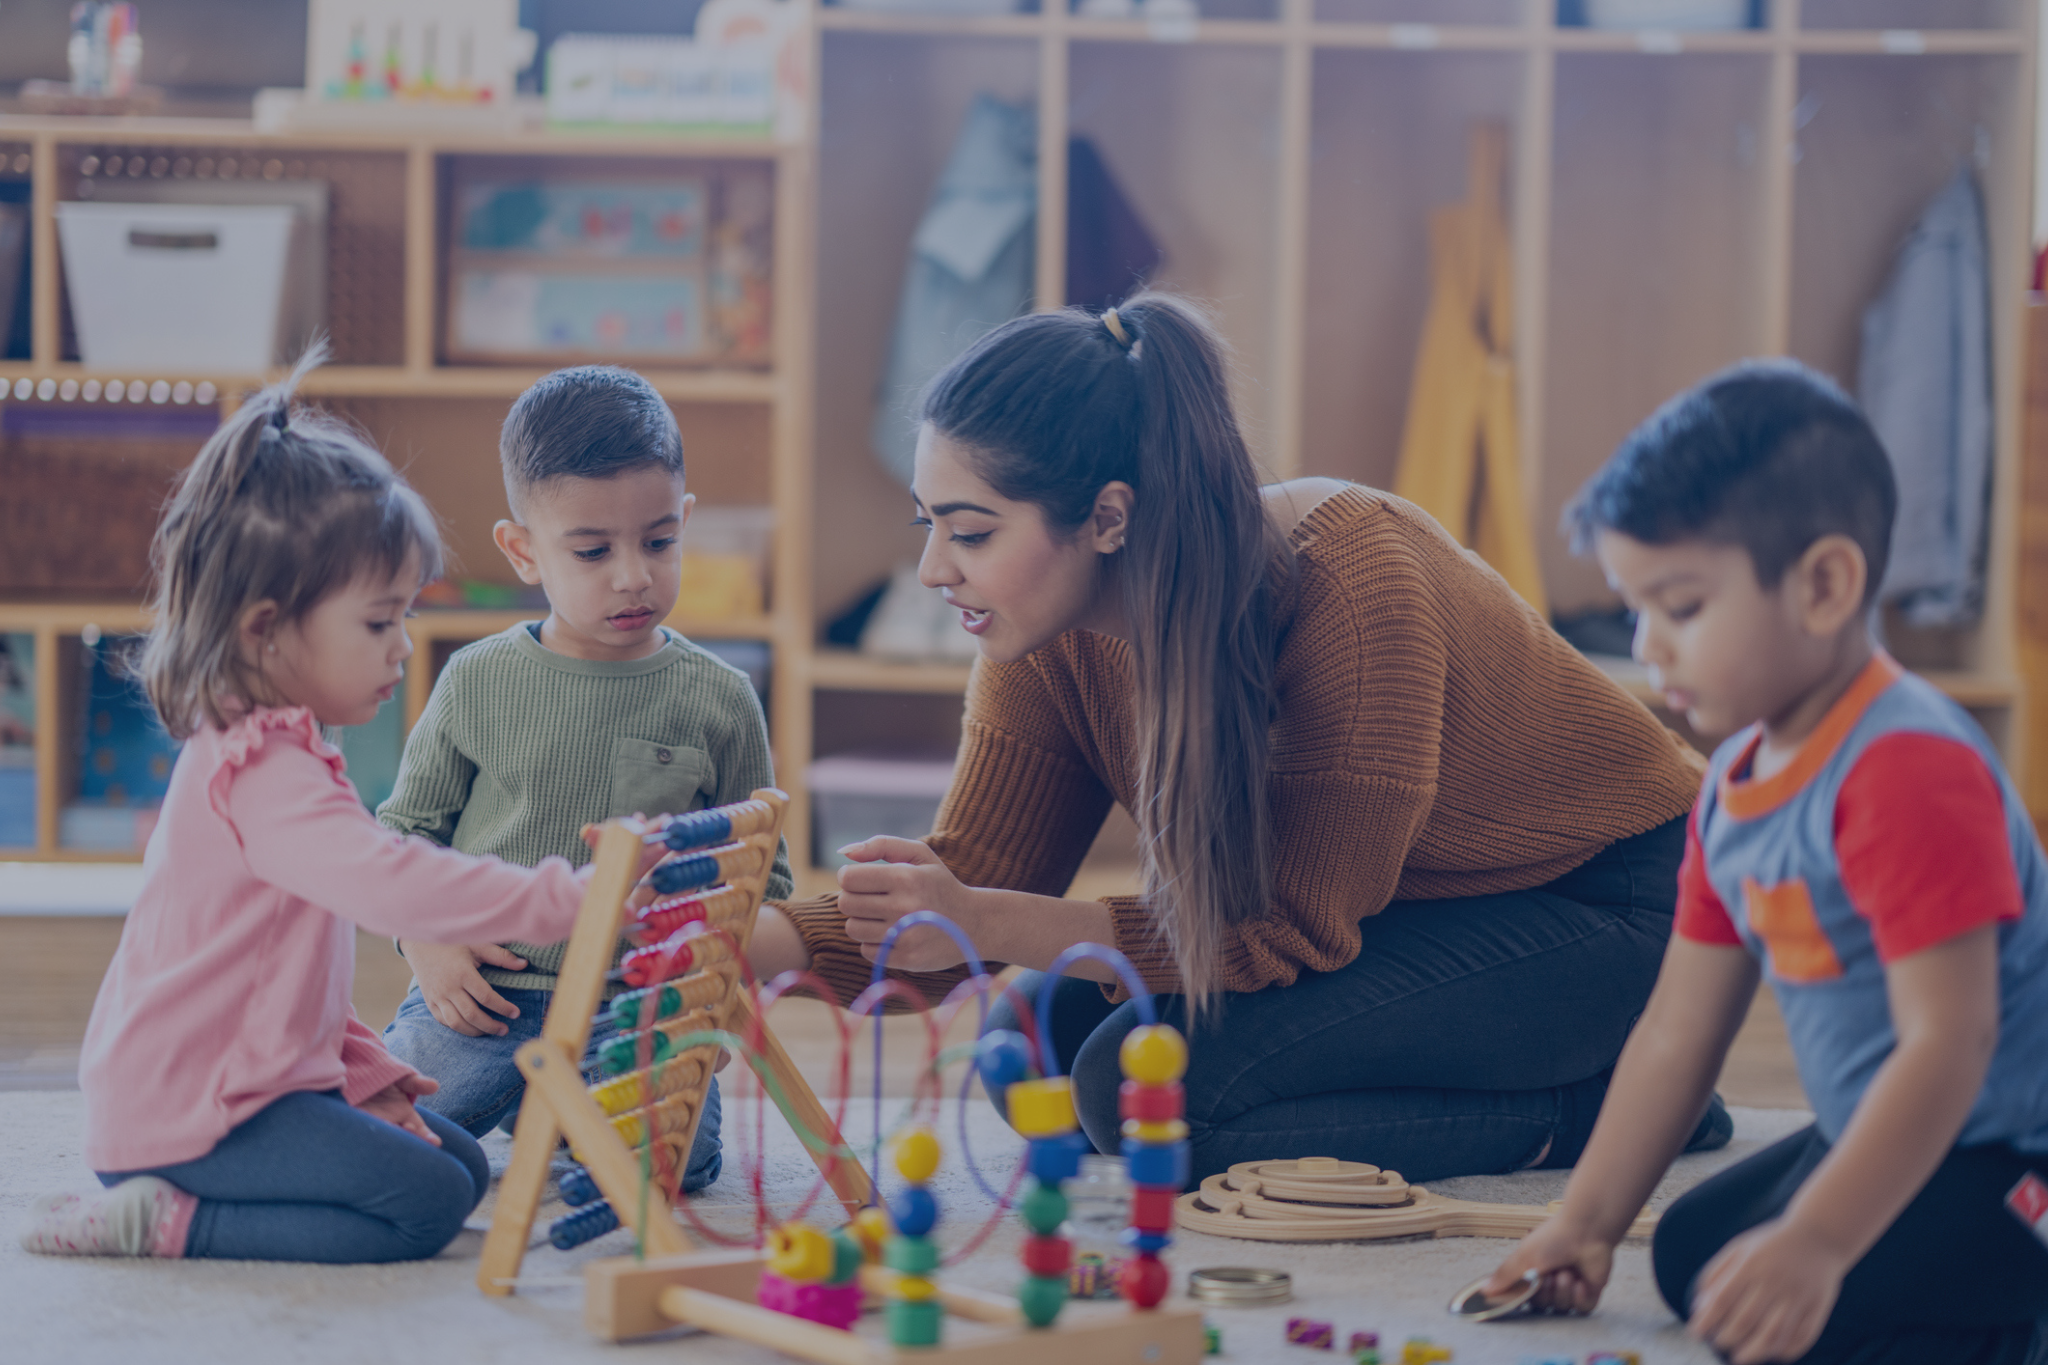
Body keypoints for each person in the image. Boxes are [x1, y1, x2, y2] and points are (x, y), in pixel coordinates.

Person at [748, 293, 1724, 1182]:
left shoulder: (1349, 586)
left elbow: (1283, 930)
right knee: (1033, 1049)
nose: (929, 570)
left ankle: (1609, 1107)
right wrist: (747, 946)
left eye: (969, 534)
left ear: (1105, 517)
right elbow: (966, 882)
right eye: (928, 525)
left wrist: (987, 920)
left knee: (1154, 1108)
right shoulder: (1042, 635)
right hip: (1411, 905)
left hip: (1617, 904)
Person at [19, 350, 660, 1264]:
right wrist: (575, 897)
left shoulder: (283, 747)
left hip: (254, 1084)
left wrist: (367, 1077)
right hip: (192, 1115)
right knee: (428, 1202)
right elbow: (394, 885)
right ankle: (163, 1221)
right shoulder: (260, 773)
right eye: (377, 621)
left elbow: (285, 976)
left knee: (461, 1166)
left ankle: (211, 1188)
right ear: (266, 630)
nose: (403, 646)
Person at [1484, 361, 2048, 1365]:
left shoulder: (1905, 769)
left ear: (1822, 585)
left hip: (2004, 1152)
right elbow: (1674, 1030)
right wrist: (1583, 1222)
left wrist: (1819, 1240)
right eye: (1635, 607)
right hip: (1880, 1126)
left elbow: (1945, 1047)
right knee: (1701, 1265)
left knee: (1814, 1304)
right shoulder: (1736, 778)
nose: (1649, 646)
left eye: (1683, 606)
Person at [378, 366, 792, 1193]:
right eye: (593, 550)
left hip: (635, 1011)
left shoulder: (722, 698)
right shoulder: (475, 679)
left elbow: (765, 880)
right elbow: (398, 836)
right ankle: (532, 1100)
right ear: (523, 549)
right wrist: (426, 941)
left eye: (660, 541)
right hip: (486, 996)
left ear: (686, 524)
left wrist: (696, 966)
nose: (633, 574)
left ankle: (554, 1111)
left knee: (673, 1166)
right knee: (378, 1137)